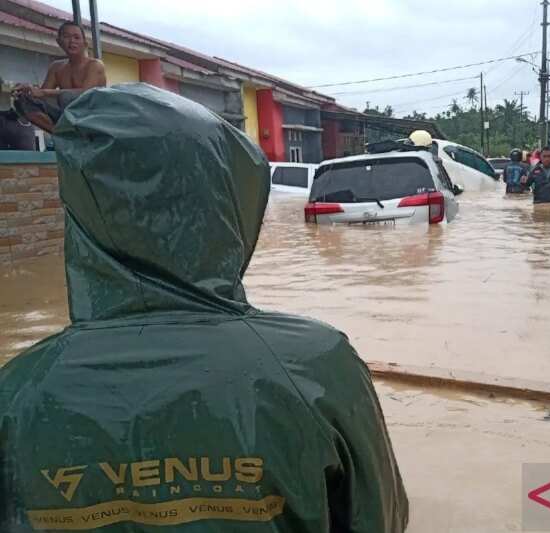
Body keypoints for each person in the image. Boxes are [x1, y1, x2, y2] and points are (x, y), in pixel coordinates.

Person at [0, 84, 408, 532]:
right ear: (231, 205)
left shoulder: (16, 393)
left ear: (80, 206)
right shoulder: (318, 365)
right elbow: (379, 519)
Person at [12, 21, 106, 133]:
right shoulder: (56, 67)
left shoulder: (95, 65)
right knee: (23, 100)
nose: (72, 41)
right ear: (59, 42)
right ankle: (61, 134)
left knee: (66, 96)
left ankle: (76, 133)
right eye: (66, 37)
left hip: (93, 118)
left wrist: (44, 92)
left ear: (85, 43)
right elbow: (41, 96)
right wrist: (28, 90)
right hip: (66, 118)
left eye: (76, 37)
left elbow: (85, 93)